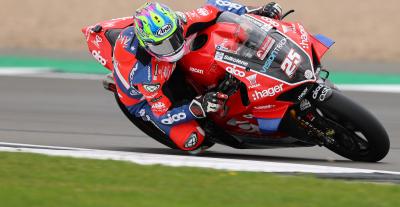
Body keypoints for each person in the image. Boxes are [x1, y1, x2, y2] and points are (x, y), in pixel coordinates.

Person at [112, 0, 283, 153]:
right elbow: (163, 114)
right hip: (144, 100)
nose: (172, 48)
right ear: (147, 46)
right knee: (194, 141)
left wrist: (254, 11)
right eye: (162, 46)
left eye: (174, 37)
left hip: (167, 66)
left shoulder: (181, 21)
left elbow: (214, 7)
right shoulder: (147, 76)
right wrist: (198, 107)